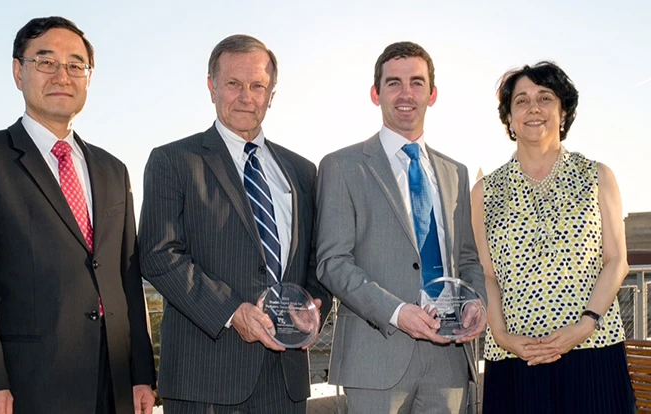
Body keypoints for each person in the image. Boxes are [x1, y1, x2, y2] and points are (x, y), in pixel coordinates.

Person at [0, 16, 155, 414]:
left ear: (89, 78)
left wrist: (141, 372)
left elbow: (127, 275)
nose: (62, 76)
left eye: (75, 65)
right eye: (46, 61)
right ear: (18, 72)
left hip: (115, 382)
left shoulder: (113, 170)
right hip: (27, 386)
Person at [138, 34, 332, 413]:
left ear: (271, 94)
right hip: (206, 381)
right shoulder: (173, 161)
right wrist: (231, 311)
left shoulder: (302, 171)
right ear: (211, 87)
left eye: (257, 86)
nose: (246, 97)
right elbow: (158, 254)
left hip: (285, 382)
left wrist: (314, 310)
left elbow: (317, 258)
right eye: (233, 84)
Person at [316, 41, 486, 413]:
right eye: (394, 83)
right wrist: (396, 312)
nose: (406, 93)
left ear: (432, 94)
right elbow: (332, 262)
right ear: (375, 94)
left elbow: (468, 258)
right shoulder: (342, 166)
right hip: (376, 356)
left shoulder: (455, 173)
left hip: (449, 360)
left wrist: (477, 302)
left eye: (416, 83)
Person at [472, 61, 636, 413]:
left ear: (563, 112)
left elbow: (617, 261)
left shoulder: (597, 176)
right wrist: (502, 336)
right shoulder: (484, 191)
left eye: (545, 97)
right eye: (521, 100)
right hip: (515, 356)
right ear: (509, 118)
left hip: (592, 348)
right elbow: (486, 272)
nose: (533, 108)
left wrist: (585, 324)